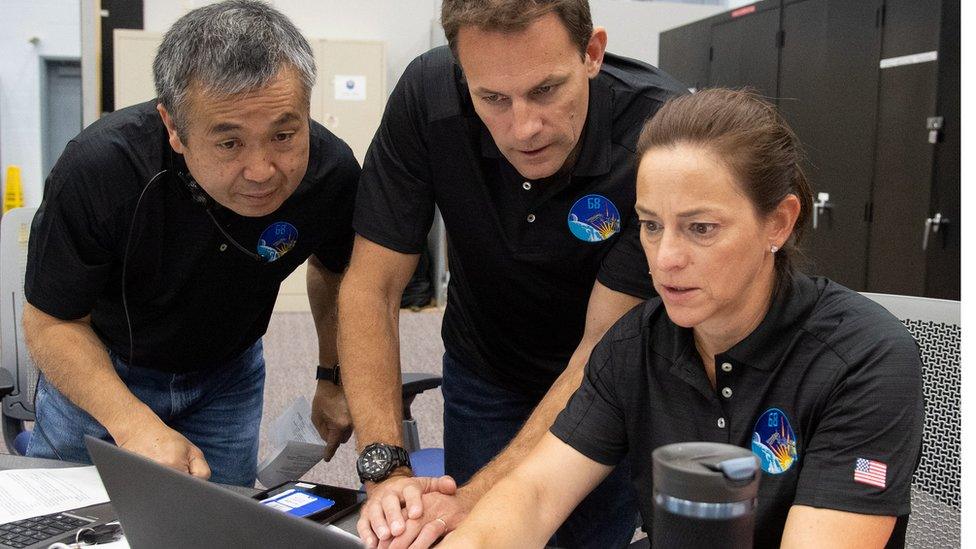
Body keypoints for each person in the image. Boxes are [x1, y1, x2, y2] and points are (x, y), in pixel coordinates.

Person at [438, 88, 925, 548]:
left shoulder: (865, 359)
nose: (665, 258)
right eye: (651, 225)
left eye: (701, 228)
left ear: (778, 222)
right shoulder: (635, 346)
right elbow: (535, 494)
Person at [340, 0, 685, 547]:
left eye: (546, 90)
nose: (524, 127)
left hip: (605, 377)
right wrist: (387, 471)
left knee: (582, 534)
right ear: (462, 74)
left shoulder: (656, 137)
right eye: (492, 99)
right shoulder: (428, 97)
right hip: (487, 365)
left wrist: (478, 498)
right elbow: (371, 286)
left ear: (592, 53)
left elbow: (599, 346)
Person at [22, 0, 359, 487]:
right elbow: (52, 322)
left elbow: (335, 270)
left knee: (218, 525)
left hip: (228, 373)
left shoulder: (331, 172)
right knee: (68, 523)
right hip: (104, 369)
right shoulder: (101, 170)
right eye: (229, 143)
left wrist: (333, 377)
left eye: (284, 134)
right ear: (174, 128)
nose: (263, 170)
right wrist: (134, 424)